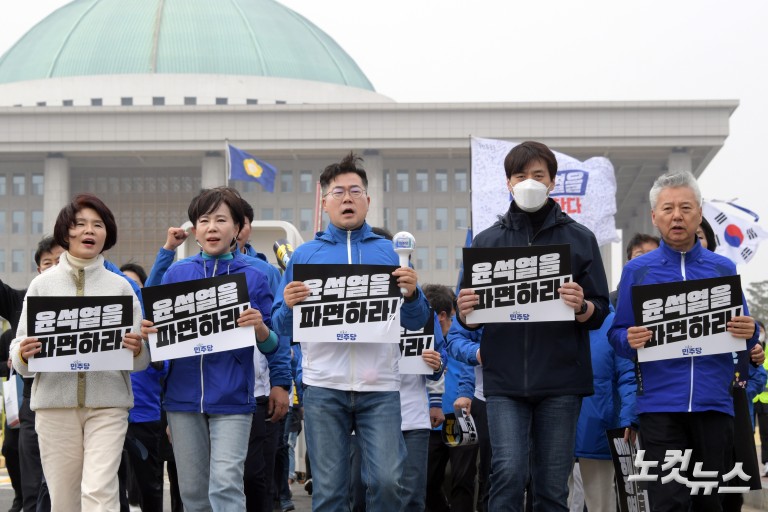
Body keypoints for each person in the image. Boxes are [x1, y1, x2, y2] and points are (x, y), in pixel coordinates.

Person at [451, 140, 610, 511]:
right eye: (520, 176)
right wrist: (463, 311)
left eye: (538, 175)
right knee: (507, 473)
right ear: (508, 182)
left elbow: (600, 309)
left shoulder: (580, 238)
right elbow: (467, 315)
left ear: (552, 181)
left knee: (552, 485)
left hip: (561, 381)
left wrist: (582, 305)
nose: (529, 183)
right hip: (505, 381)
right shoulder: (487, 241)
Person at [271, 152, 432, 512]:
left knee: (389, 482)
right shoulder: (304, 256)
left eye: (355, 191)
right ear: (324, 202)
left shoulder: (391, 253)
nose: (347, 198)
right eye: (339, 192)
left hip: (381, 388)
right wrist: (288, 305)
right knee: (330, 491)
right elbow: (278, 328)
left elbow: (417, 320)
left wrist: (412, 294)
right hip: (323, 387)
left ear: (368, 201)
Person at [608, 171, 763, 511]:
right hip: (659, 407)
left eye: (685, 207)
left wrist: (749, 330)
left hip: (713, 405)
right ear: (655, 216)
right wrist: (629, 338)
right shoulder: (638, 271)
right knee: (667, 501)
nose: (677, 216)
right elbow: (617, 335)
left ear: (699, 213)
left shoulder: (722, 269)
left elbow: (746, 331)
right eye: (668, 208)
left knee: (709, 501)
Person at [141, 187, 288, 511]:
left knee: (226, 486)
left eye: (221, 220)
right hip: (182, 400)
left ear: (237, 228)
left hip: (233, 398)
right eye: (204, 220)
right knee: (193, 494)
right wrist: (152, 336)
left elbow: (272, 344)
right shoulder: (177, 273)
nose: (212, 227)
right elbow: (158, 340)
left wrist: (261, 328)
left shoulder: (256, 275)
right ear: (195, 230)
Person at [10, 194, 149, 511]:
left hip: (109, 404)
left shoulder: (120, 287)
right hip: (54, 407)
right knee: (64, 499)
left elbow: (140, 360)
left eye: (98, 225)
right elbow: (20, 355)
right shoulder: (42, 286)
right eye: (80, 224)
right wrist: (23, 354)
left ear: (106, 234)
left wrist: (138, 349)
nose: (89, 230)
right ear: (65, 232)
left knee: (100, 492)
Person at [117, 263, 167, 512]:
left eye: (134, 284)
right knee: (112, 485)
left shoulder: (151, 326)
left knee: (149, 484)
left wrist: (148, 348)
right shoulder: (108, 322)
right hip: (110, 413)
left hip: (145, 416)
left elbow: (164, 367)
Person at [609, 233, 660, 308]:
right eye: (639, 256)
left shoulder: (674, 296)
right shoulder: (611, 301)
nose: (646, 261)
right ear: (628, 264)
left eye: (652, 255)